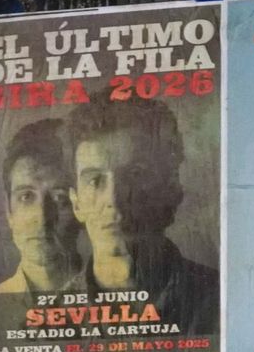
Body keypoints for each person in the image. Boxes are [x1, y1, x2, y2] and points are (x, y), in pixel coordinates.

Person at [63, 92, 219, 334]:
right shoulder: (47, 319)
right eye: (94, 181)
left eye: (135, 175)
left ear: (170, 187)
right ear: (76, 203)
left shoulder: (222, 297)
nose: (113, 199)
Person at [0, 118, 81, 297]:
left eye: (60, 198)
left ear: (79, 206)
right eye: (26, 197)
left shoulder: (114, 293)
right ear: (8, 211)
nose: (42, 217)